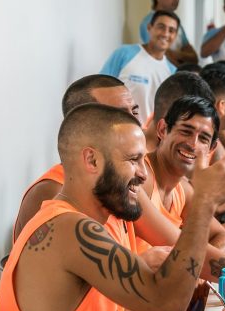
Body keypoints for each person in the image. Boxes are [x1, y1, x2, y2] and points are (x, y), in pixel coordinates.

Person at [0, 103, 225, 311]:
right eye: (133, 160)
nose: (143, 174)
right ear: (91, 160)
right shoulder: (68, 229)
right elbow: (166, 302)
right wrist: (204, 203)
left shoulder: (94, 224)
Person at [13, 75, 141, 244]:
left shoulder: (119, 176)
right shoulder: (55, 192)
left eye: (135, 112)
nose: (135, 123)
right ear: (83, 122)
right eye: (119, 116)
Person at [142, 95, 225, 281]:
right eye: (186, 131)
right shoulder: (143, 179)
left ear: (211, 149)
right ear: (163, 130)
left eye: (203, 138)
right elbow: (188, 255)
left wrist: (198, 274)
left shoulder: (183, 189)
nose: (192, 144)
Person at [101, 10, 178, 122]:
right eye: (161, 27)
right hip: (117, 130)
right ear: (149, 28)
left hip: (150, 138)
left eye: (171, 30)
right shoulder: (124, 53)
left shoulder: (173, 72)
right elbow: (100, 88)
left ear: (175, 36)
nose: (165, 34)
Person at [142, 71, 213, 152]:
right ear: (162, 128)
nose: (194, 145)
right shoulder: (129, 155)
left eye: (202, 137)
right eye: (187, 131)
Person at [139, 0, 198, 66]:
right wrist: (181, 59)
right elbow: (159, 54)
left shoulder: (177, 24)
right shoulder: (148, 22)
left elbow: (194, 58)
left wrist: (176, 54)